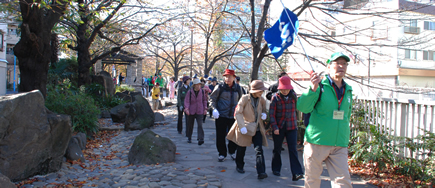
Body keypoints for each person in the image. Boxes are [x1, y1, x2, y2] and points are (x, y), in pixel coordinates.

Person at [297, 52, 353, 187]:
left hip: (339, 144)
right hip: (317, 142)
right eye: (337, 63)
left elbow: (347, 115)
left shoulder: (348, 90)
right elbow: (303, 107)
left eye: (344, 63)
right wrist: (312, 88)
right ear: (329, 66)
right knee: (312, 181)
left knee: (343, 182)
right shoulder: (319, 86)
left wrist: (345, 138)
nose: (341, 66)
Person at [227, 80, 269, 179]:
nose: (261, 92)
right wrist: (242, 127)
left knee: (259, 149)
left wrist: (264, 114)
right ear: (254, 90)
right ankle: (239, 165)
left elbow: (264, 110)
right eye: (260, 90)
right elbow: (238, 112)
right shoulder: (245, 98)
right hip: (245, 127)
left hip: (257, 128)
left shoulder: (262, 100)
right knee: (241, 148)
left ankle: (261, 171)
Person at [269, 76, 304, 181]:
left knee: (293, 149)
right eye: (283, 89)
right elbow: (271, 114)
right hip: (279, 127)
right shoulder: (275, 98)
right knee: (277, 149)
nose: (285, 91)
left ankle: (297, 172)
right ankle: (276, 168)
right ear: (279, 88)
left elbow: (299, 109)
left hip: (291, 127)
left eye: (287, 88)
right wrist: (274, 127)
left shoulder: (293, 97)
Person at [210, 69, 243, 162]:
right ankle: (222, 153)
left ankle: (232, 151)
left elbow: (242, 101)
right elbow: (212, 99)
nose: (228, 79)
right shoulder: (219, 87)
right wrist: (214, 109)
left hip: (234, 116)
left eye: (230, 77)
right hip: (221, 115)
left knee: (234, 135)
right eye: (226, 76)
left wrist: (241, 112)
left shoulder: (238, 88)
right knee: (220, 136)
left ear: (234, 78)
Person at [184, 78, 207, 145]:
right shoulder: (190, 92)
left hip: (200, 110)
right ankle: (189, 137)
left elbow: (204, 101)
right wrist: (187, 108)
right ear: (194, 85)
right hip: (191, 110)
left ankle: (200, 138)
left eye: (199, 85)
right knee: (190, 125)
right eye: (196, 85)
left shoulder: (202, 92)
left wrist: (205, 108)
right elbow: (187, 101)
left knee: (200, 125)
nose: (198, 86)